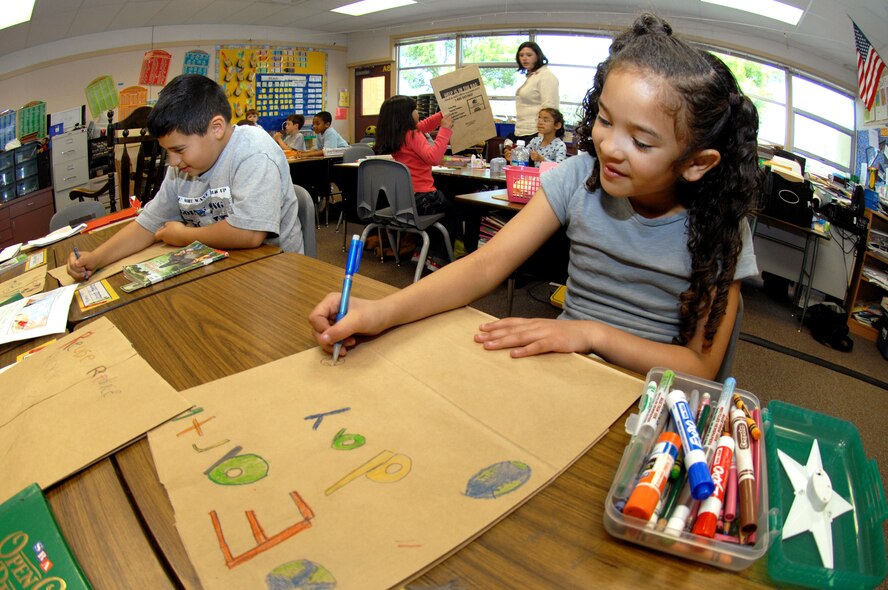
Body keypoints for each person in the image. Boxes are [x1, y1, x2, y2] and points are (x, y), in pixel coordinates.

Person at [309, 13, 762, 380]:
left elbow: (700, 366)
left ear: (697, 162)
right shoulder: (580, 176)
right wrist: (383, 311)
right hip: (563, 369)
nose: (609, 147)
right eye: (604, 120)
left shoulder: (720, 222)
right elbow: (486, 264)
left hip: (651, 396)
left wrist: (591, 334)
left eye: (642, 142)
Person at [66, 73, 303, 281]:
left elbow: (249, 234)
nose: (173, 162)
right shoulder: (183, 166)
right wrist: (96, 258)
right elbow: (149, 224)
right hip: (224, 269)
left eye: (178, 150)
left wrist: (185, 236)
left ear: (216, 128)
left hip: (277, 274)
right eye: (167, 152)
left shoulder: (254, 151)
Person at [373, 95, 456, 269]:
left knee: (437, 213)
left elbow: (424, 125)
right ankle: (438, 258)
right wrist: (445, 130)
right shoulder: (412, 135)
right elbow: (434, 157)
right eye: (415, 109)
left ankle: (420, 252)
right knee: (454, 212)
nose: (418, 112)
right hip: (424, 198)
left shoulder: (397, 135)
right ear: (407, 115)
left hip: (403, 199)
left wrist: (443, 114)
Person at [511, 41, 560, 145]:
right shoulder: (532, 76)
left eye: (529, 55)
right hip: (524, 131)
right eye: (521, 55)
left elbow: (550, 107)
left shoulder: (546, 76)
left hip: (535, 133)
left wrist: (543, 138)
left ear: (538, 56)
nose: (524, 58)